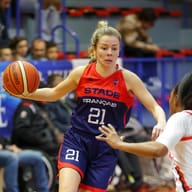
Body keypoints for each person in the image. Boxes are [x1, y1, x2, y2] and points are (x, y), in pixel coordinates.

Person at [6, 20, 166, 192]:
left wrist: (161, 121)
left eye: (114, 48)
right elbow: (54, 94)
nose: (109, 53)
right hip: (78, 140)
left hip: (106, 145)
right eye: (104, 48)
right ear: (95, 50)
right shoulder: (80, 74)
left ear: (119, 50)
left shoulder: (129, 79)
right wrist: (25, 93)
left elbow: (154, 106)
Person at [96, 72, 192, 192]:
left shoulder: (181, 118)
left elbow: (158, 150)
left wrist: (119, 144)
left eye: (170, 96)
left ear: (176, 100)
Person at [116, 8, 161, 81]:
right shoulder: (129, 22)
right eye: (151, 24)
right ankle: (139, 79)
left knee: (151, 52)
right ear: (145, 21)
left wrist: (151, 46)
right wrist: (149, 47)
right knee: (140, 51)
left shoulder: (139, 23)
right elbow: (130, 42)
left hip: (131, 45)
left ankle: (151, 78)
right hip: (121, 46)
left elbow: (146, 38)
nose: (151, 26)